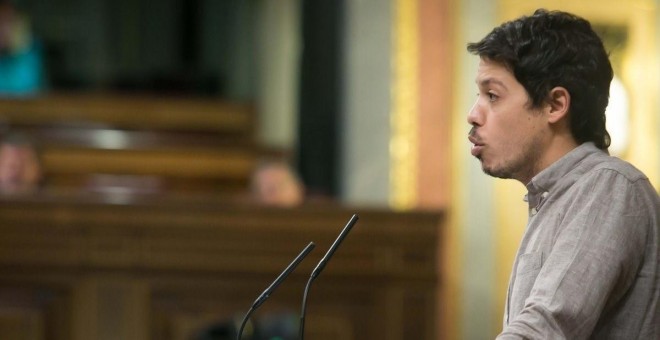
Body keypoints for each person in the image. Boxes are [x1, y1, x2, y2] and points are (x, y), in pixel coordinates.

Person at [466, 9, 659, 339]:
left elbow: (546, 329)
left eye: (493, 95)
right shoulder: (557, 196)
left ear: (555, 105)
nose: (473, 114)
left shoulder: (610, 187)